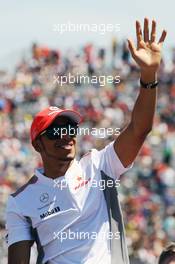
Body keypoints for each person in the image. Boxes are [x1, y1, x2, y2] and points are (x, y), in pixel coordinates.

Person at [5, 18, 167, 264]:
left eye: (70, 128)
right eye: (55, 131)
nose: (66, 136)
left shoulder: (100, 166)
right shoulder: (20, 202)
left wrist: (148, 75)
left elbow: (139, 129)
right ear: (37, 145)